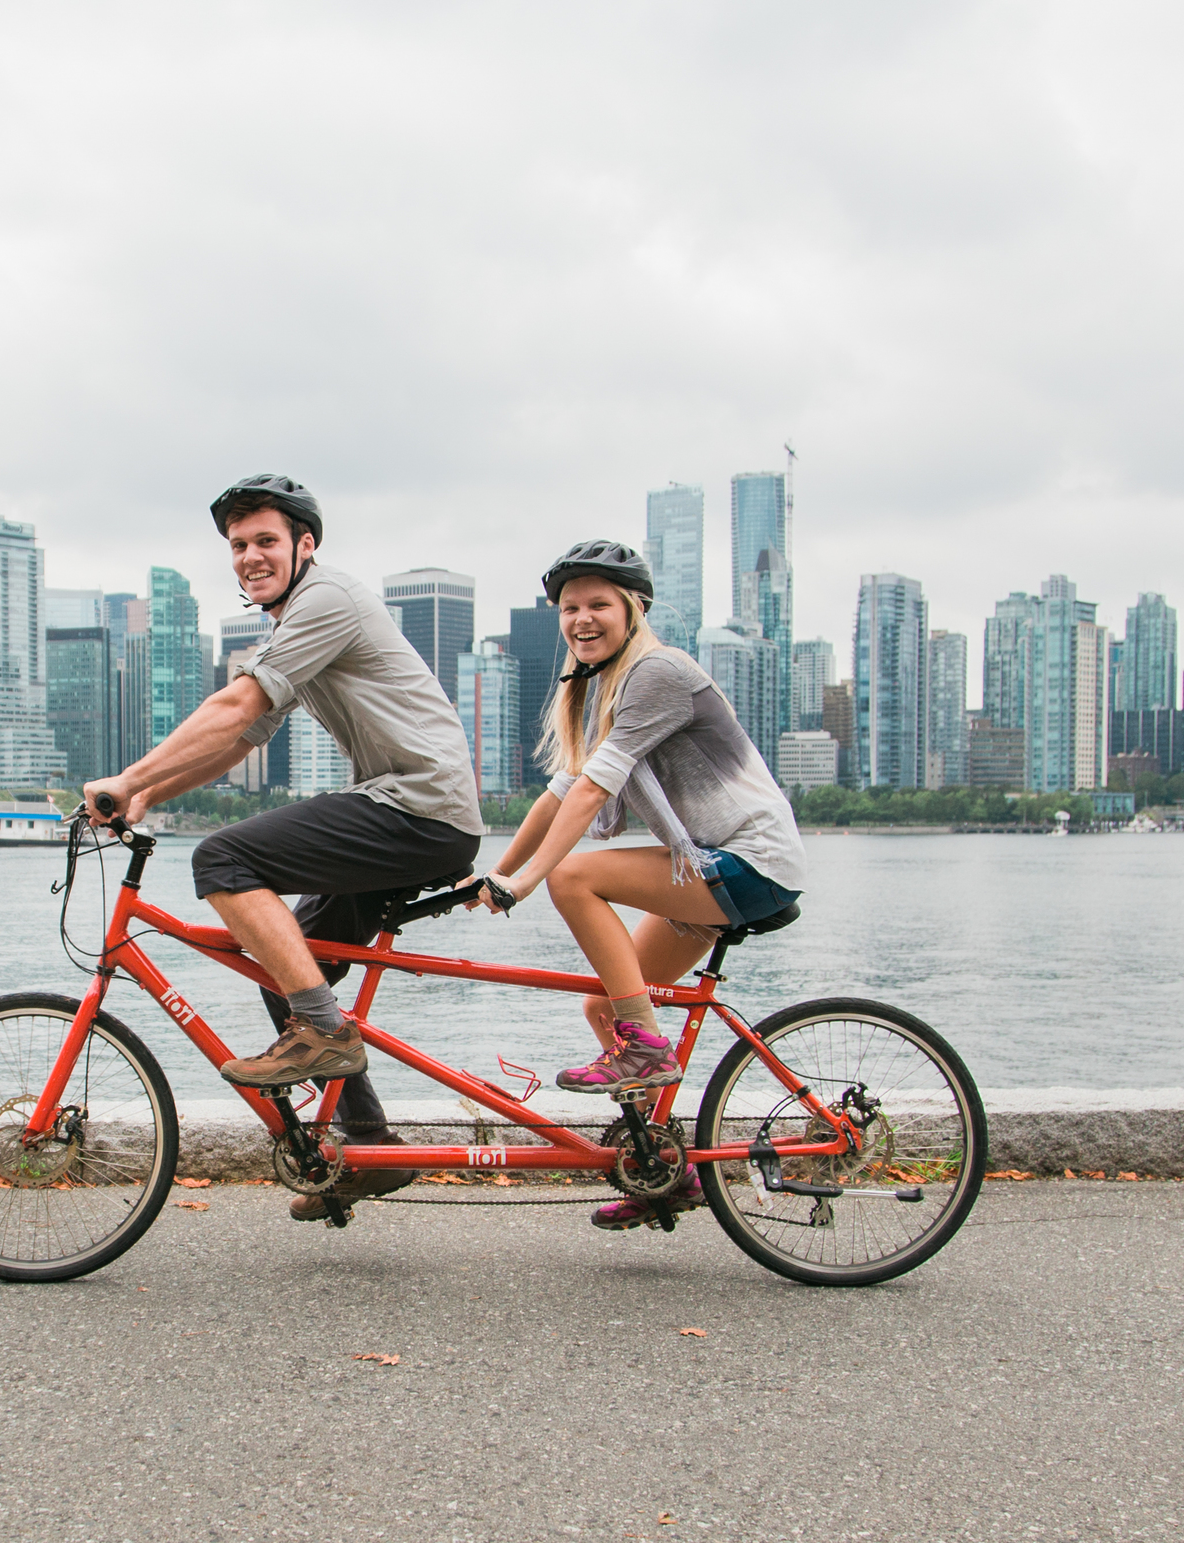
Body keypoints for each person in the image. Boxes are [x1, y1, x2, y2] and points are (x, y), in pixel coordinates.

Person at [81, 475, 485, 1221]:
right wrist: (147, 794)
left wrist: (127, 774)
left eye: (265, 540)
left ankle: (326, 1034)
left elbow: (237, 701)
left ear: (305, 545)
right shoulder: (300, 620)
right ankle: (367, 1144)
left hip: (417, 810)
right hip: (409, 810)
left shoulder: (327, 600)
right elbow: (241, 735)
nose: (249, 556)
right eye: (238, 545)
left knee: (222, 859)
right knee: (287, 965)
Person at [467, 539, 805, 1230]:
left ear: (634, 608)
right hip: (707, 865)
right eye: (570, 607)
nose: (582, 618)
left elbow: (593, 794)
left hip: (750, 860)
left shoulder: (657, 672)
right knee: (606, 1008)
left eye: (599, 604)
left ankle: (646, 1046)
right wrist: (496, 872)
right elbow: (560, 793)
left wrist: (530, 880)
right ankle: (660, 1169)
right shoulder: (602, 690)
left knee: (575, 875)